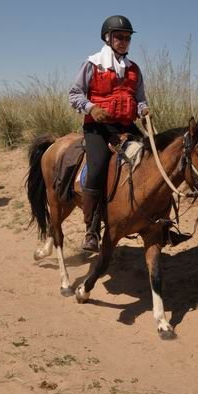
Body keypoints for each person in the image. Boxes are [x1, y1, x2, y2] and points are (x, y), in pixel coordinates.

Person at [69, 15, 150, 252]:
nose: (124, 41)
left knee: (152, 160)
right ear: (108, 38)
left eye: (127, 38)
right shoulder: (92, 64)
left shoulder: (134, 69)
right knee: (98, 167)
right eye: (119, 37)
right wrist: (91, 108)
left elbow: (140, 98)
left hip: (126, 126)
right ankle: (92, 230)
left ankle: (157, 221)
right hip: (97, 127)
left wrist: (144, 109)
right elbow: (75, 94)